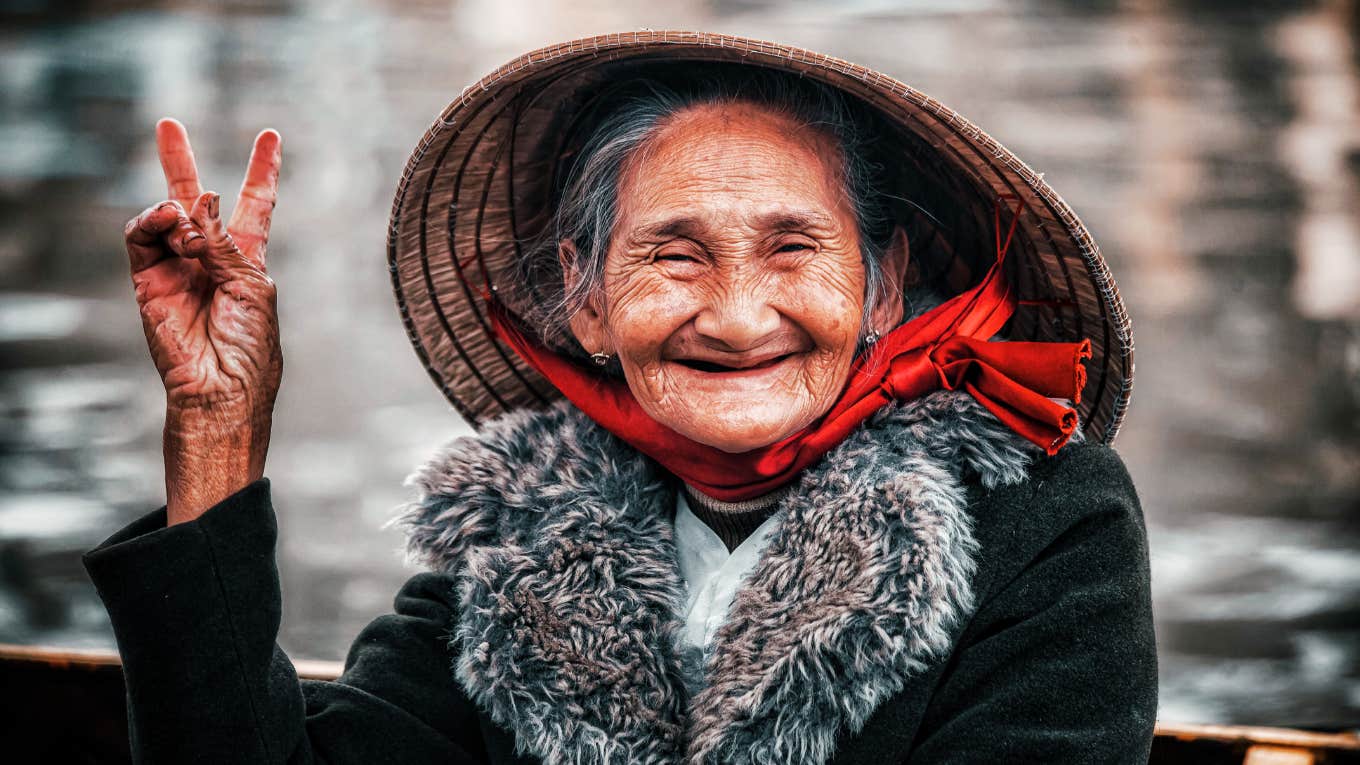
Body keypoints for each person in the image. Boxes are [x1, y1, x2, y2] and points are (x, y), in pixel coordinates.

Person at [84, 31, 1157, 764]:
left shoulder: (1044, 522)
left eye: (793, 250)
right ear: (587, 302)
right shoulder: (521, 545)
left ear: (879, 284)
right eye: (673, 257)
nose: (738, 319)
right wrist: (218, 422)